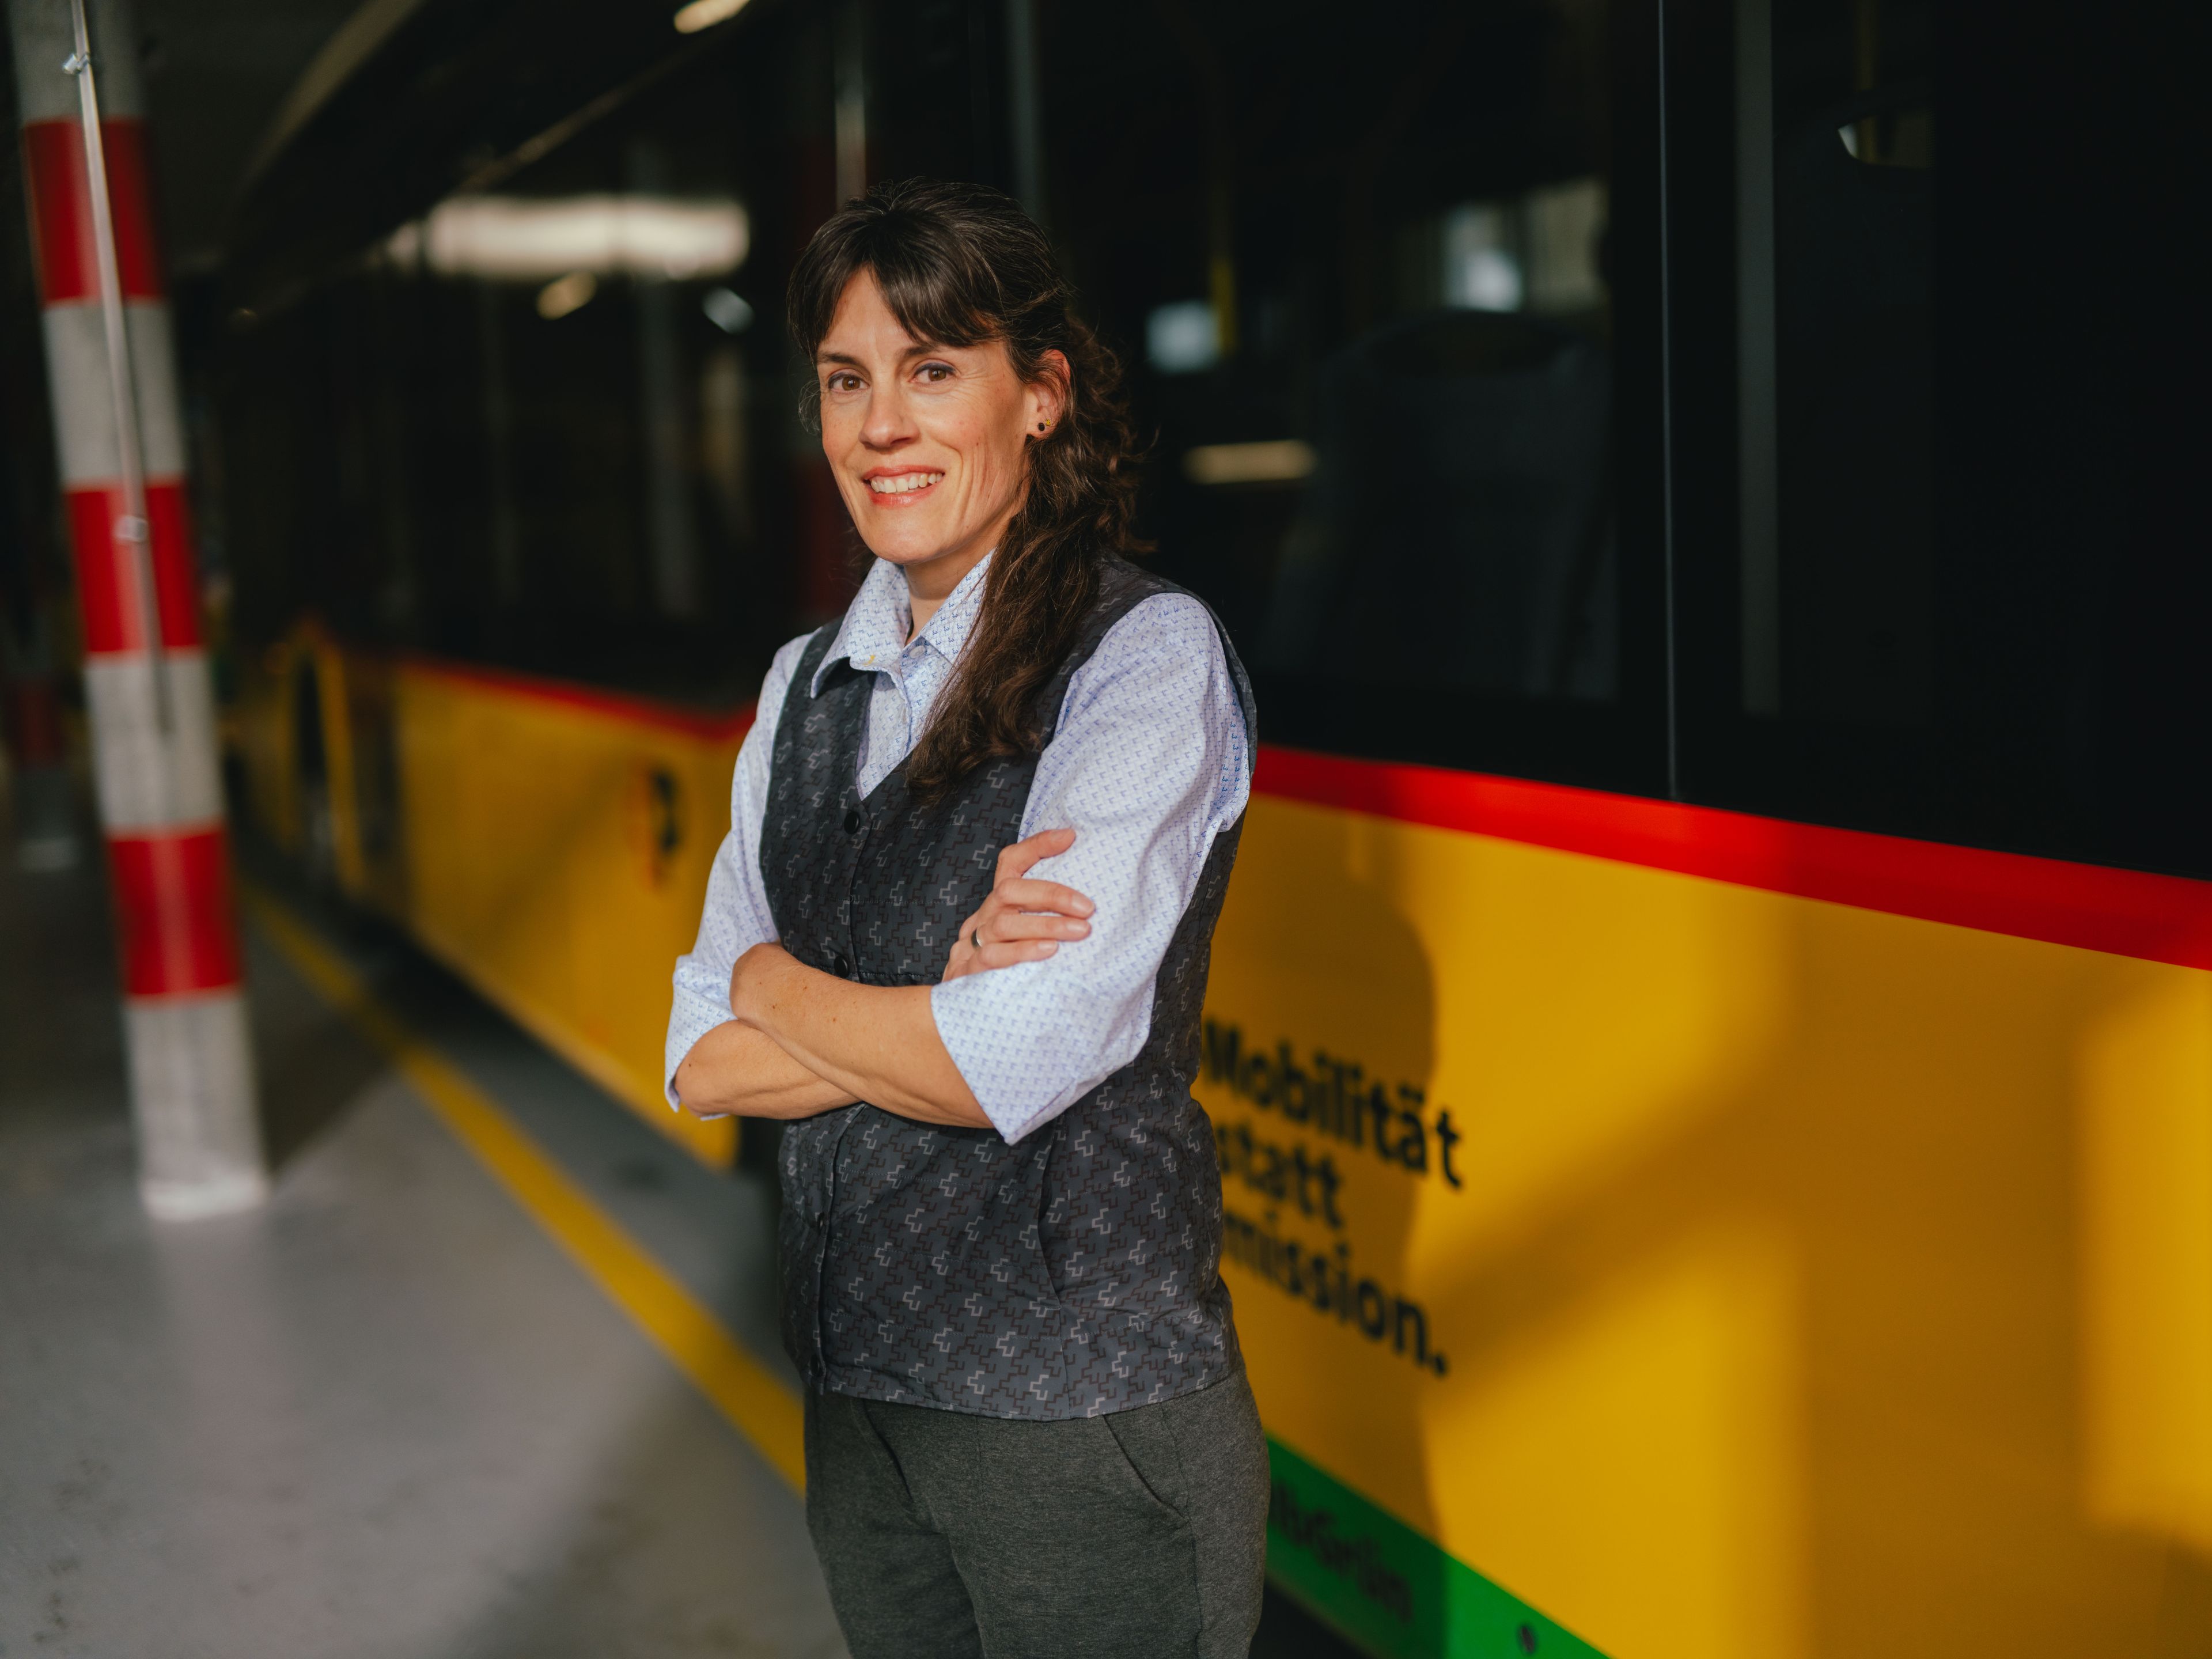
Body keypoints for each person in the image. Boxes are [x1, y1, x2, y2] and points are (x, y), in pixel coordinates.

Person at [663, 179, 1266, 1659]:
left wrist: (768, 977)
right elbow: (697, 1062)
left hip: (1081, 1425)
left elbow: (1004, 1060)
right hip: (860, 1412)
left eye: (934, 369)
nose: (884, 426)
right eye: (847, 380)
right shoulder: (803, 683)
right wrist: (932, 983)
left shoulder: (1143, 657)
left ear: (1041, 396)